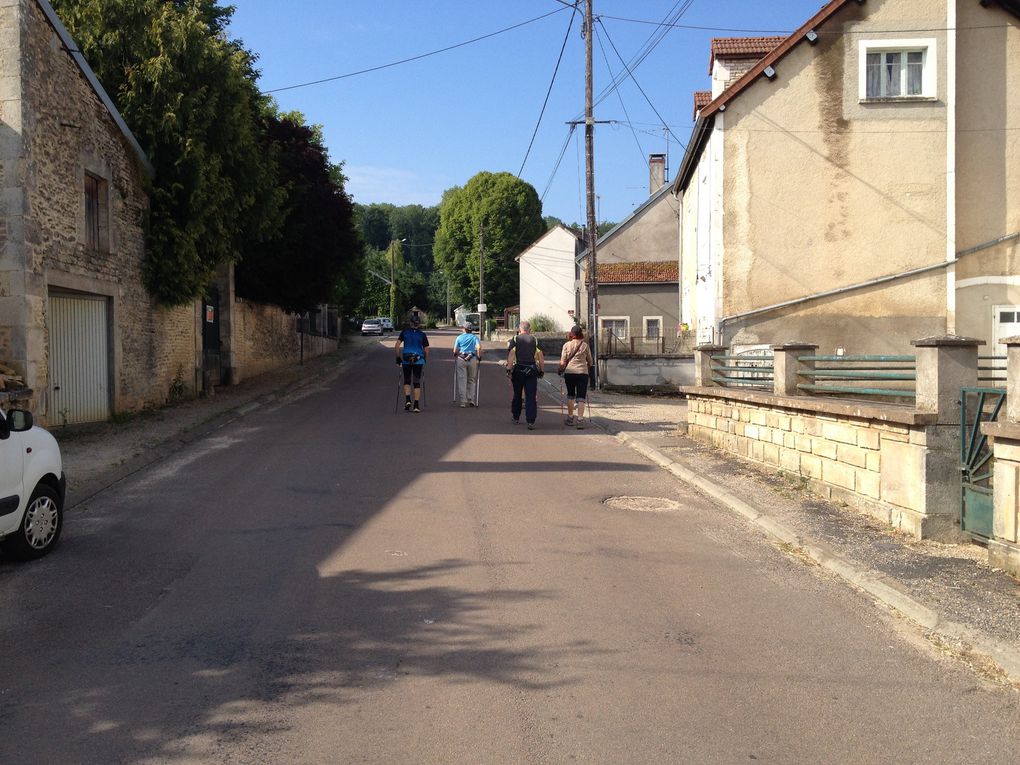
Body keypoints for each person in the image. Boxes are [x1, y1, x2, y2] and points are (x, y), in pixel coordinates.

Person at [506, 320, 545, 430]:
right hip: (531, 371)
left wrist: (508, 369)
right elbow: (541, 356)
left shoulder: (515, 339)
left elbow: (511, 355)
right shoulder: (535, 340)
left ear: (519, 330)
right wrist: (542, 370)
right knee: (531, 396)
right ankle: (531, 421)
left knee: (517, 394)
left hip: (518, 370)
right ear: (530, 330)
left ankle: (516, 416)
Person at [558, 325, 594, 428]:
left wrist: (560, 369)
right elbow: (590, 361)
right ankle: (580, 420)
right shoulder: (585, 346)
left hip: (570, 372)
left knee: (570, 395)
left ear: (571, 334)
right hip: (583, 373)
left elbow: (562, 362)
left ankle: (570, 418)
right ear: (581, 334)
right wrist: (586, 366)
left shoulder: (566, 345)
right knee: (581, 397)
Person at [394, 314, 429, 412]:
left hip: (406, 359)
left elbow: (397, 345)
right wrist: (425, 359)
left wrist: (398, 358)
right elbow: (426, 350)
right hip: (418, 360)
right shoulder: (422, 334)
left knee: (407, 380)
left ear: (410, 323)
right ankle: (416, 405)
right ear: (418, 324)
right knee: (417, 382)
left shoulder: (404, 332)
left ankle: (408, 400)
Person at [453, 321, 482, 407]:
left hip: (461, 359)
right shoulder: (474, 337)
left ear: (464, 329)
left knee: (462, 379)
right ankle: (471, 399)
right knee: (471, 379)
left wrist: (455, 354)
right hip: (472, 358)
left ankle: (463, 401)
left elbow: (455, 351)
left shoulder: (459, 338)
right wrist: (479, 356)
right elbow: (479, 347)